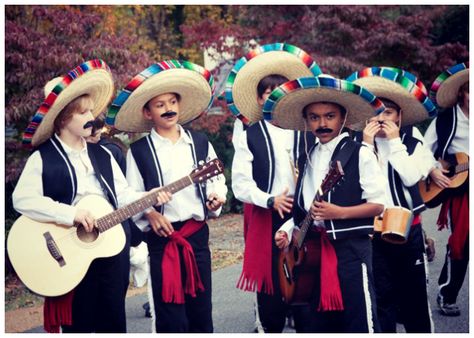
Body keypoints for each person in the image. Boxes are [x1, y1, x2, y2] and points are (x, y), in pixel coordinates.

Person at [12, 60, 171, 333]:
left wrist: (149, 196)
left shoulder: (104, 154)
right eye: (82, 113)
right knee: (81, 322)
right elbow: (22, 199)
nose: (91, 117)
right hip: (70, 253)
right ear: (63, 119)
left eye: (91, 110)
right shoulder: (43, 158)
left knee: (112, 321)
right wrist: (71, 214)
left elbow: (122, 196)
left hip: (110, 248)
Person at [106, 60, 227, 333]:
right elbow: (129, 195)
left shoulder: (199, 143)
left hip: (196, 237)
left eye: (172, 102)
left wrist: (217, 197)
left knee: (200, 313)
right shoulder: (139, 151)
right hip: (163, 240)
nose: (168, 108)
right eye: (160, 105)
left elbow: (217, 178)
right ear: (148, 113)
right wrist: (149, 213)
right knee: (170, 315)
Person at [269, 75, 386, 333]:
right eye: (314, 117)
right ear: (306, 121)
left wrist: (339, 213)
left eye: (329, 116)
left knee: (359, 319)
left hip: (351, 250)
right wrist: (287, 231)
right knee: (316, 322)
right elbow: (304, 209)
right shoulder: (307, 155)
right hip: (313, 250)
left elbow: (379, 205)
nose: (322, 123)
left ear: (343, 117)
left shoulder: (359, 153)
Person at [227, 43, 320, 333]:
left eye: (282, 92)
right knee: (271, 294)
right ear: (259, 98)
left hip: (306, 217)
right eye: (269, 93)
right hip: (269, 217)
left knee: (306, 293)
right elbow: (240, 183)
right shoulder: (250, 133)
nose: (276, 98)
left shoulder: (308, 130)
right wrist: (269, 200)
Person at [347, 66, 437, 332]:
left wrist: (395, 142)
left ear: (400, 116)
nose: (382, 118)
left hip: (408, 229)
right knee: (381, 300)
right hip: (372, 232)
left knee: (415, 299)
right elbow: (353, 184)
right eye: (376, 112)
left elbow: (411, 176)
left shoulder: (412, 139)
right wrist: (366, 145)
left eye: (388, 112)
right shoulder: (356, 142)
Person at [425, 63, 469, 317]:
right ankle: (447, 293)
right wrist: (434, 169)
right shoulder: (445, 121)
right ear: (462, 93)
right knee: (462, 243)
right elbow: (424, 151)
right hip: (460, 189)